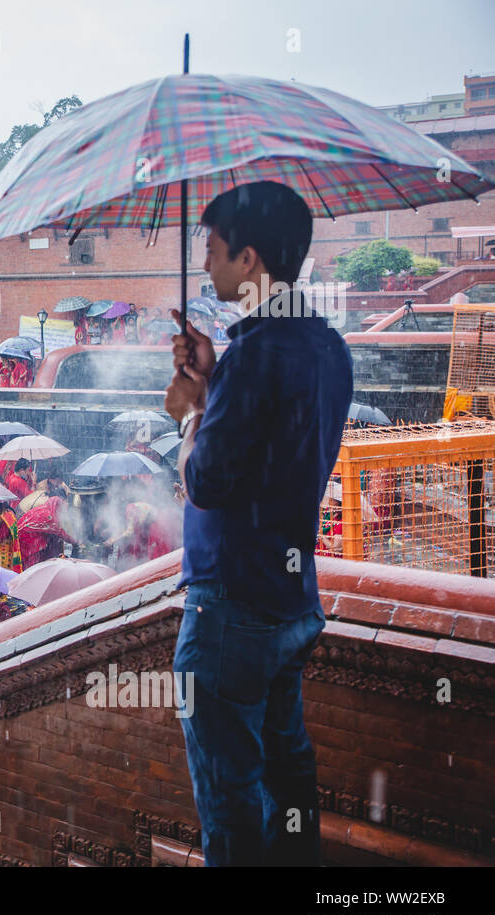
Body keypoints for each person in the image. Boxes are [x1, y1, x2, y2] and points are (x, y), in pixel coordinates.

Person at [162, 180, 352, 866]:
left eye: (212, 251)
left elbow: (206, 483)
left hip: (229, 611)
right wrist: (216, 384)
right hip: (291, 601)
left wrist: (189, 410)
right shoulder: (327, 347)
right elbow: (276, 450)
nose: (206, 266)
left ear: (249, 261)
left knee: (231, 805)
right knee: (288, 787)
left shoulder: (255, 355)